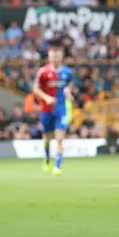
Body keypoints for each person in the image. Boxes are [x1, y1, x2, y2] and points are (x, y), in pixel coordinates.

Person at [33, 39, 72, 176]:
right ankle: (47, 158)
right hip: (46, 110)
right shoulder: (43, 72)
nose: (55, 55)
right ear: (48, 56)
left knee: (60, 138)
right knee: (47, 139)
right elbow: (35, 89)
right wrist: (47, 98)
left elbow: (67, 85)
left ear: (62, 55)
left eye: (58, 53)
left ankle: (58, 165)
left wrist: (68, 92)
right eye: (53, 53)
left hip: (60, 108)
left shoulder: (67, 72)